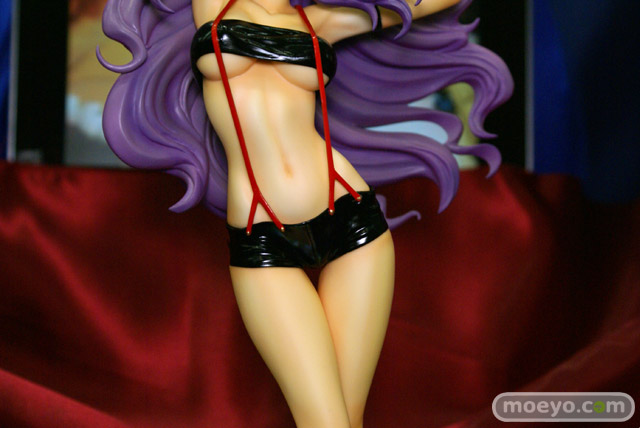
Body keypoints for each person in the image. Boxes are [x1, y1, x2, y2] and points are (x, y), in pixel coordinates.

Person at [99, 0, 512, 426]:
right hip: (262, 237)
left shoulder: (322, 20)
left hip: (352, 219)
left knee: (346, 420)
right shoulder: (213, 6)